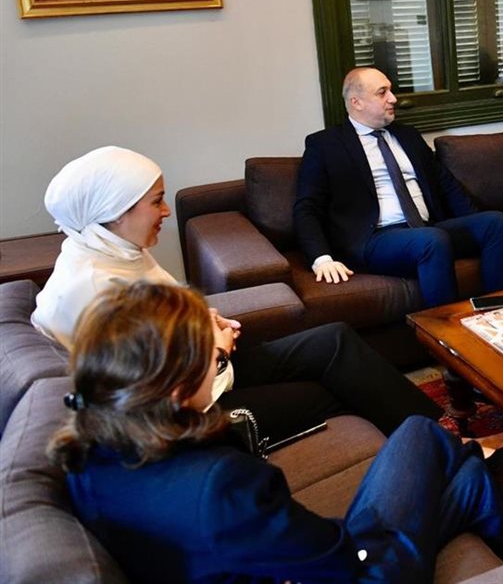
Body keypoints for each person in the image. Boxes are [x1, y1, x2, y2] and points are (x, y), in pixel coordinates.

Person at [52, 281, 503, 584]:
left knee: (469, 481)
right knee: (418, 433)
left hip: (283, 564)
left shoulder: (90, 450)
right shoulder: (219, 484)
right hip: (347, 572)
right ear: (177, 390)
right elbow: (338, 560)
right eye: (214, 361)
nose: (218, 366)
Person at [31, 145, 444, 444]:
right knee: (332, 392)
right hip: (193, 404)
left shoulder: (119, 249)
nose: (166, 212)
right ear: (115, 211)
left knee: (334, 339)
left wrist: (207, 321)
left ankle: (439, 433)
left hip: (203, 362)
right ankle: (424, 453)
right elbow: (157, 394)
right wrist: (218, 350)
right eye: (156, 202)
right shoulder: (95, 290)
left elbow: (173, 310)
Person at [294, 67, 503, 308]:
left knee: (497, 223)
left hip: (427, 228)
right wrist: (321, 258)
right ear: (356, 102)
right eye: (382, 92)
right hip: (376, 238)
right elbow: (307, 207)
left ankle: (501, 313)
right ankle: (444, 325)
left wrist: (474, 219)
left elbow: (446, 184)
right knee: (431, 240)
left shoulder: (407, 135)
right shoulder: (325, 144)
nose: (393, 98)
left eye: (391, 91)